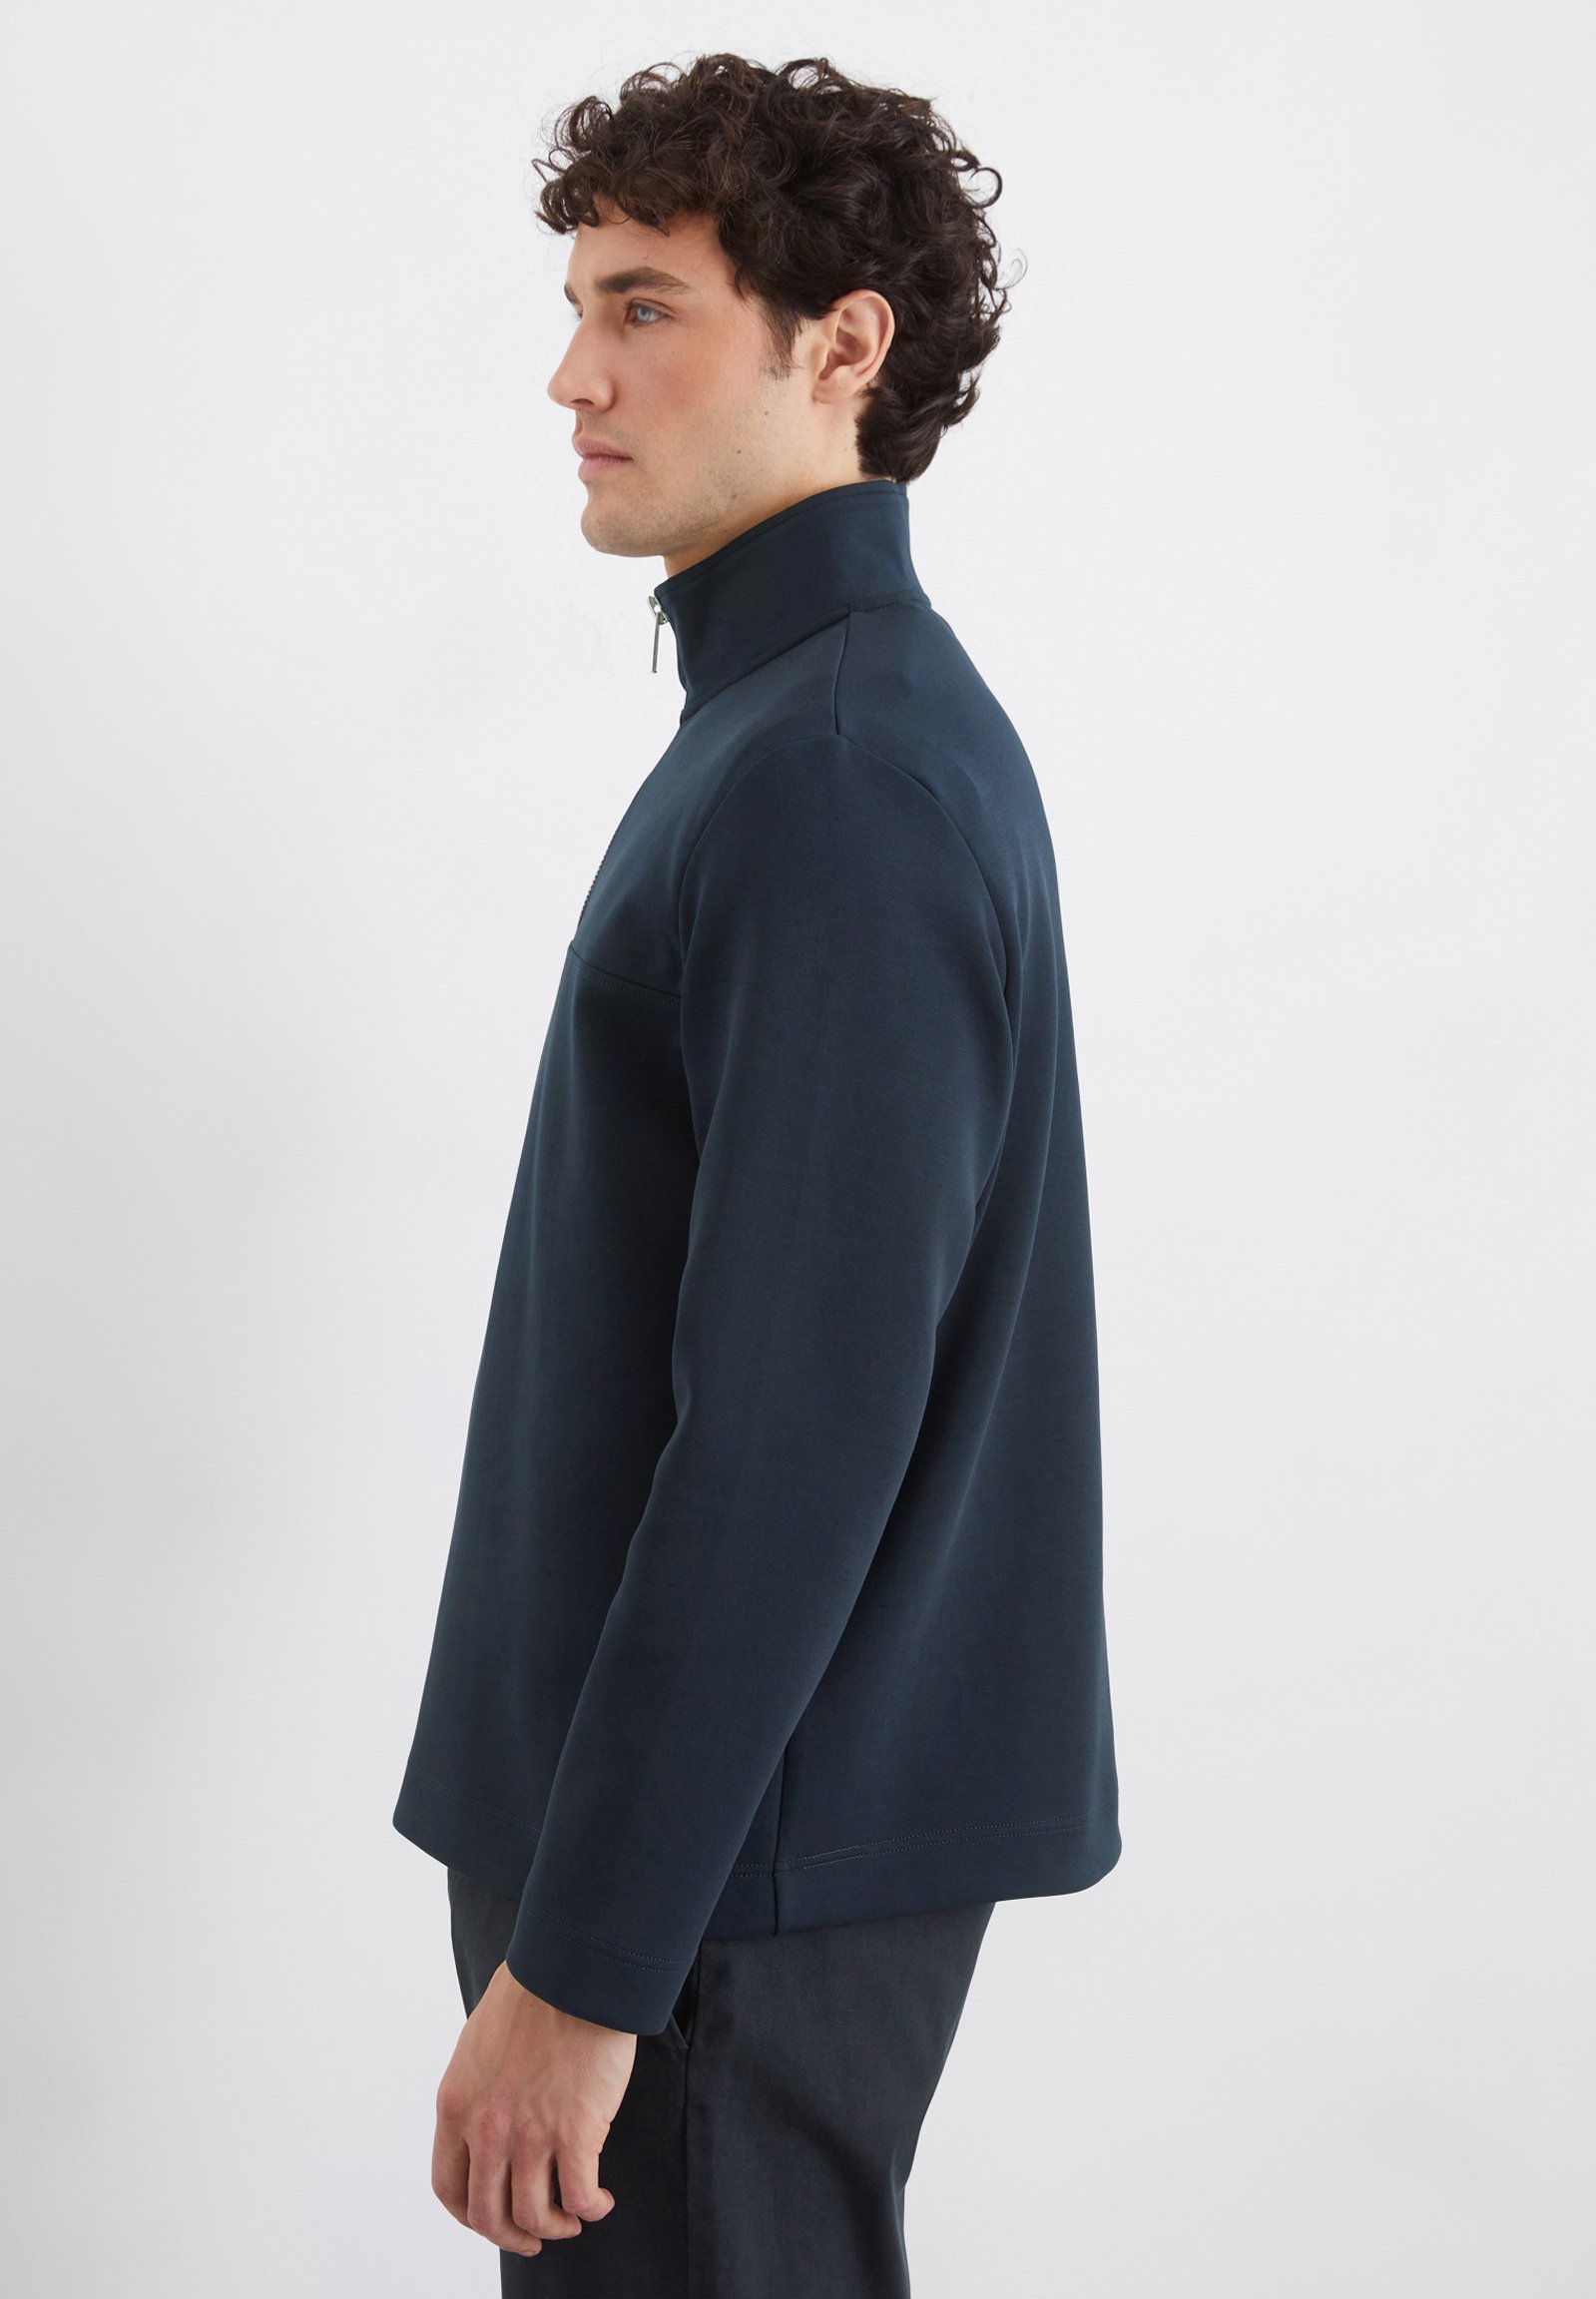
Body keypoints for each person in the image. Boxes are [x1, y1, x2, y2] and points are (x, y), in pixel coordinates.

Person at [392, 50, 1122, 2296]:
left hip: (716, 1885)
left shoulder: (832, 779)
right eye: (578, 309)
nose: (573, 378)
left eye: (646, 309)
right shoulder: (795, 731)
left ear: (841, 346)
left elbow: (791, 1438)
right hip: (705, 1854)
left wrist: (590, 1966)